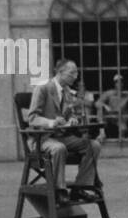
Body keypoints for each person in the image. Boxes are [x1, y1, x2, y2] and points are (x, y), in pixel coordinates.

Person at [26, 58, 102, 202]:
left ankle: (79, 187)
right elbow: (32, 118)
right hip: (42, 138)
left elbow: (68, 114)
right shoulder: (43, 88)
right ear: (60, 72)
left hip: (62, 136)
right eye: (72, 73)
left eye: (77, 73)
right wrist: (51, 122)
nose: (76, 76)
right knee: (59, 148)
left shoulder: (67, 91)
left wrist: (72, 120)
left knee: (93, 146)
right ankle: (59, 190)